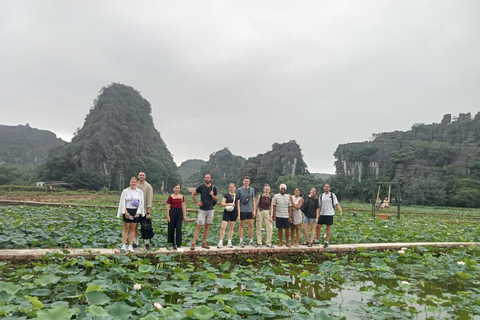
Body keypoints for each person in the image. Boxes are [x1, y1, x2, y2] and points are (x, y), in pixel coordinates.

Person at [117, 177, 145, 253]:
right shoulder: (125, 191)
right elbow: (123, 202)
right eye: (132, 182)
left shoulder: (139, 192)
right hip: (127, 210)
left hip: (135, 211)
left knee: (133, 229)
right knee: (126, 228)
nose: (133, 183)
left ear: (136, 183)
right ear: (130, 182)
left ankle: (130, 245)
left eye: (134, 182)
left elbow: (141, 203)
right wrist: (125, 211)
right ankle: (123, 245)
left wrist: (138, 212)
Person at [191, 174, 218, 250]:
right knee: (199, 226)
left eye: (208, 177)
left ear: (211, 179)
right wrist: (196, 203)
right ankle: (193, 243)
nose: (207, 179)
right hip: (202, 209)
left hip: (210, 209)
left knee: (207, 226)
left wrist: (212, 195)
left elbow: (216, 199)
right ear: (204, 179)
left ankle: (204, 242)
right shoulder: (201, 187)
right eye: (206, 177)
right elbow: (193, 194)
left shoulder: (213, 188)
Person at [315, 184, 343, 248]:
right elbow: (319, 206)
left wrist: (340, 210)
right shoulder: (321, 195)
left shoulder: (332, 195)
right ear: (324, 188)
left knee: (328, 227)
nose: (326, 188)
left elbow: (336, 203)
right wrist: (317, 215)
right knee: (318, 226)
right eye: (325, 187)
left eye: (328, 187)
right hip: (322, 213)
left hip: (329, 213)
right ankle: (317, 240)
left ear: (329, 188)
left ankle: (326, 242)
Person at [135, 171, 154, 250]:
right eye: (140, 175)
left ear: (145, 176)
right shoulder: (135, 185)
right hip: (135, 210)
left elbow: (149, 199)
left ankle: (146, 243)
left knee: (145, 227)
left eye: (143, 175)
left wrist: (148, 212)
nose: (141, 176)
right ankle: (136, 243)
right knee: (134, 227)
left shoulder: (148, 186)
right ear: (138, 176)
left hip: (144, 210)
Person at [236, 176, 256, 247]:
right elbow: (238, 202)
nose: (246, 182)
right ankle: (241, 241)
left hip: (250, 210)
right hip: (242, 210)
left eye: (247, 181)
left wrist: (254, 210)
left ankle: (251, 241)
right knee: (242, 225)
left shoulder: (252, 190)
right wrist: (238, 213)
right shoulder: (239, 190)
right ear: (243, 182)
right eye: (245, 181)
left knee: (251, 225)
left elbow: (253, 200)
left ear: (249, 182)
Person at [167, 184, 187, 250]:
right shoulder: (170, 197)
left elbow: (183, 206)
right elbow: (168, 207)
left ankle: (178, 244)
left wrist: (184, 215)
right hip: (172, 212)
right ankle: (172, 244)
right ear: (173, 188)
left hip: (179, 213)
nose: (177, 189)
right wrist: (168, 216)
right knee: (171, 228)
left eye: (178, 188)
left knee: (178, 228)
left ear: (180, 189)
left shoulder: (182, 197)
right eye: (176, 188)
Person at [218, 183, 238, 248]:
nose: (231, 188)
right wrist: (229, 204)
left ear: (235, 188)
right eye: (230, 187)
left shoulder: (237, 196)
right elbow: (222, 203)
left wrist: (239, 215)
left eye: (232, 187)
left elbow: (238, 206)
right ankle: (221, 242)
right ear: (229, 188)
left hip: (234, 212)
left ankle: (229, 242)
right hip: (226, 212)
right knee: (223, 227)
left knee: (231, 228)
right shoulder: (226, 195)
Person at [255, 184, 274, 248]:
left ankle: (268, 242)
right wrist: (254, 212)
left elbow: (271, 208)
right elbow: (256, 205)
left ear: (269, 190)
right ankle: (259, 242)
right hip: (260, 211)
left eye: (268, 189)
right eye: (266, 189)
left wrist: (271, 216)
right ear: (264, 190)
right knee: (259, 227)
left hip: (267, 212)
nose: (267, 191)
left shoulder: (271, 198)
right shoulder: (260, 197)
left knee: (269, 228)